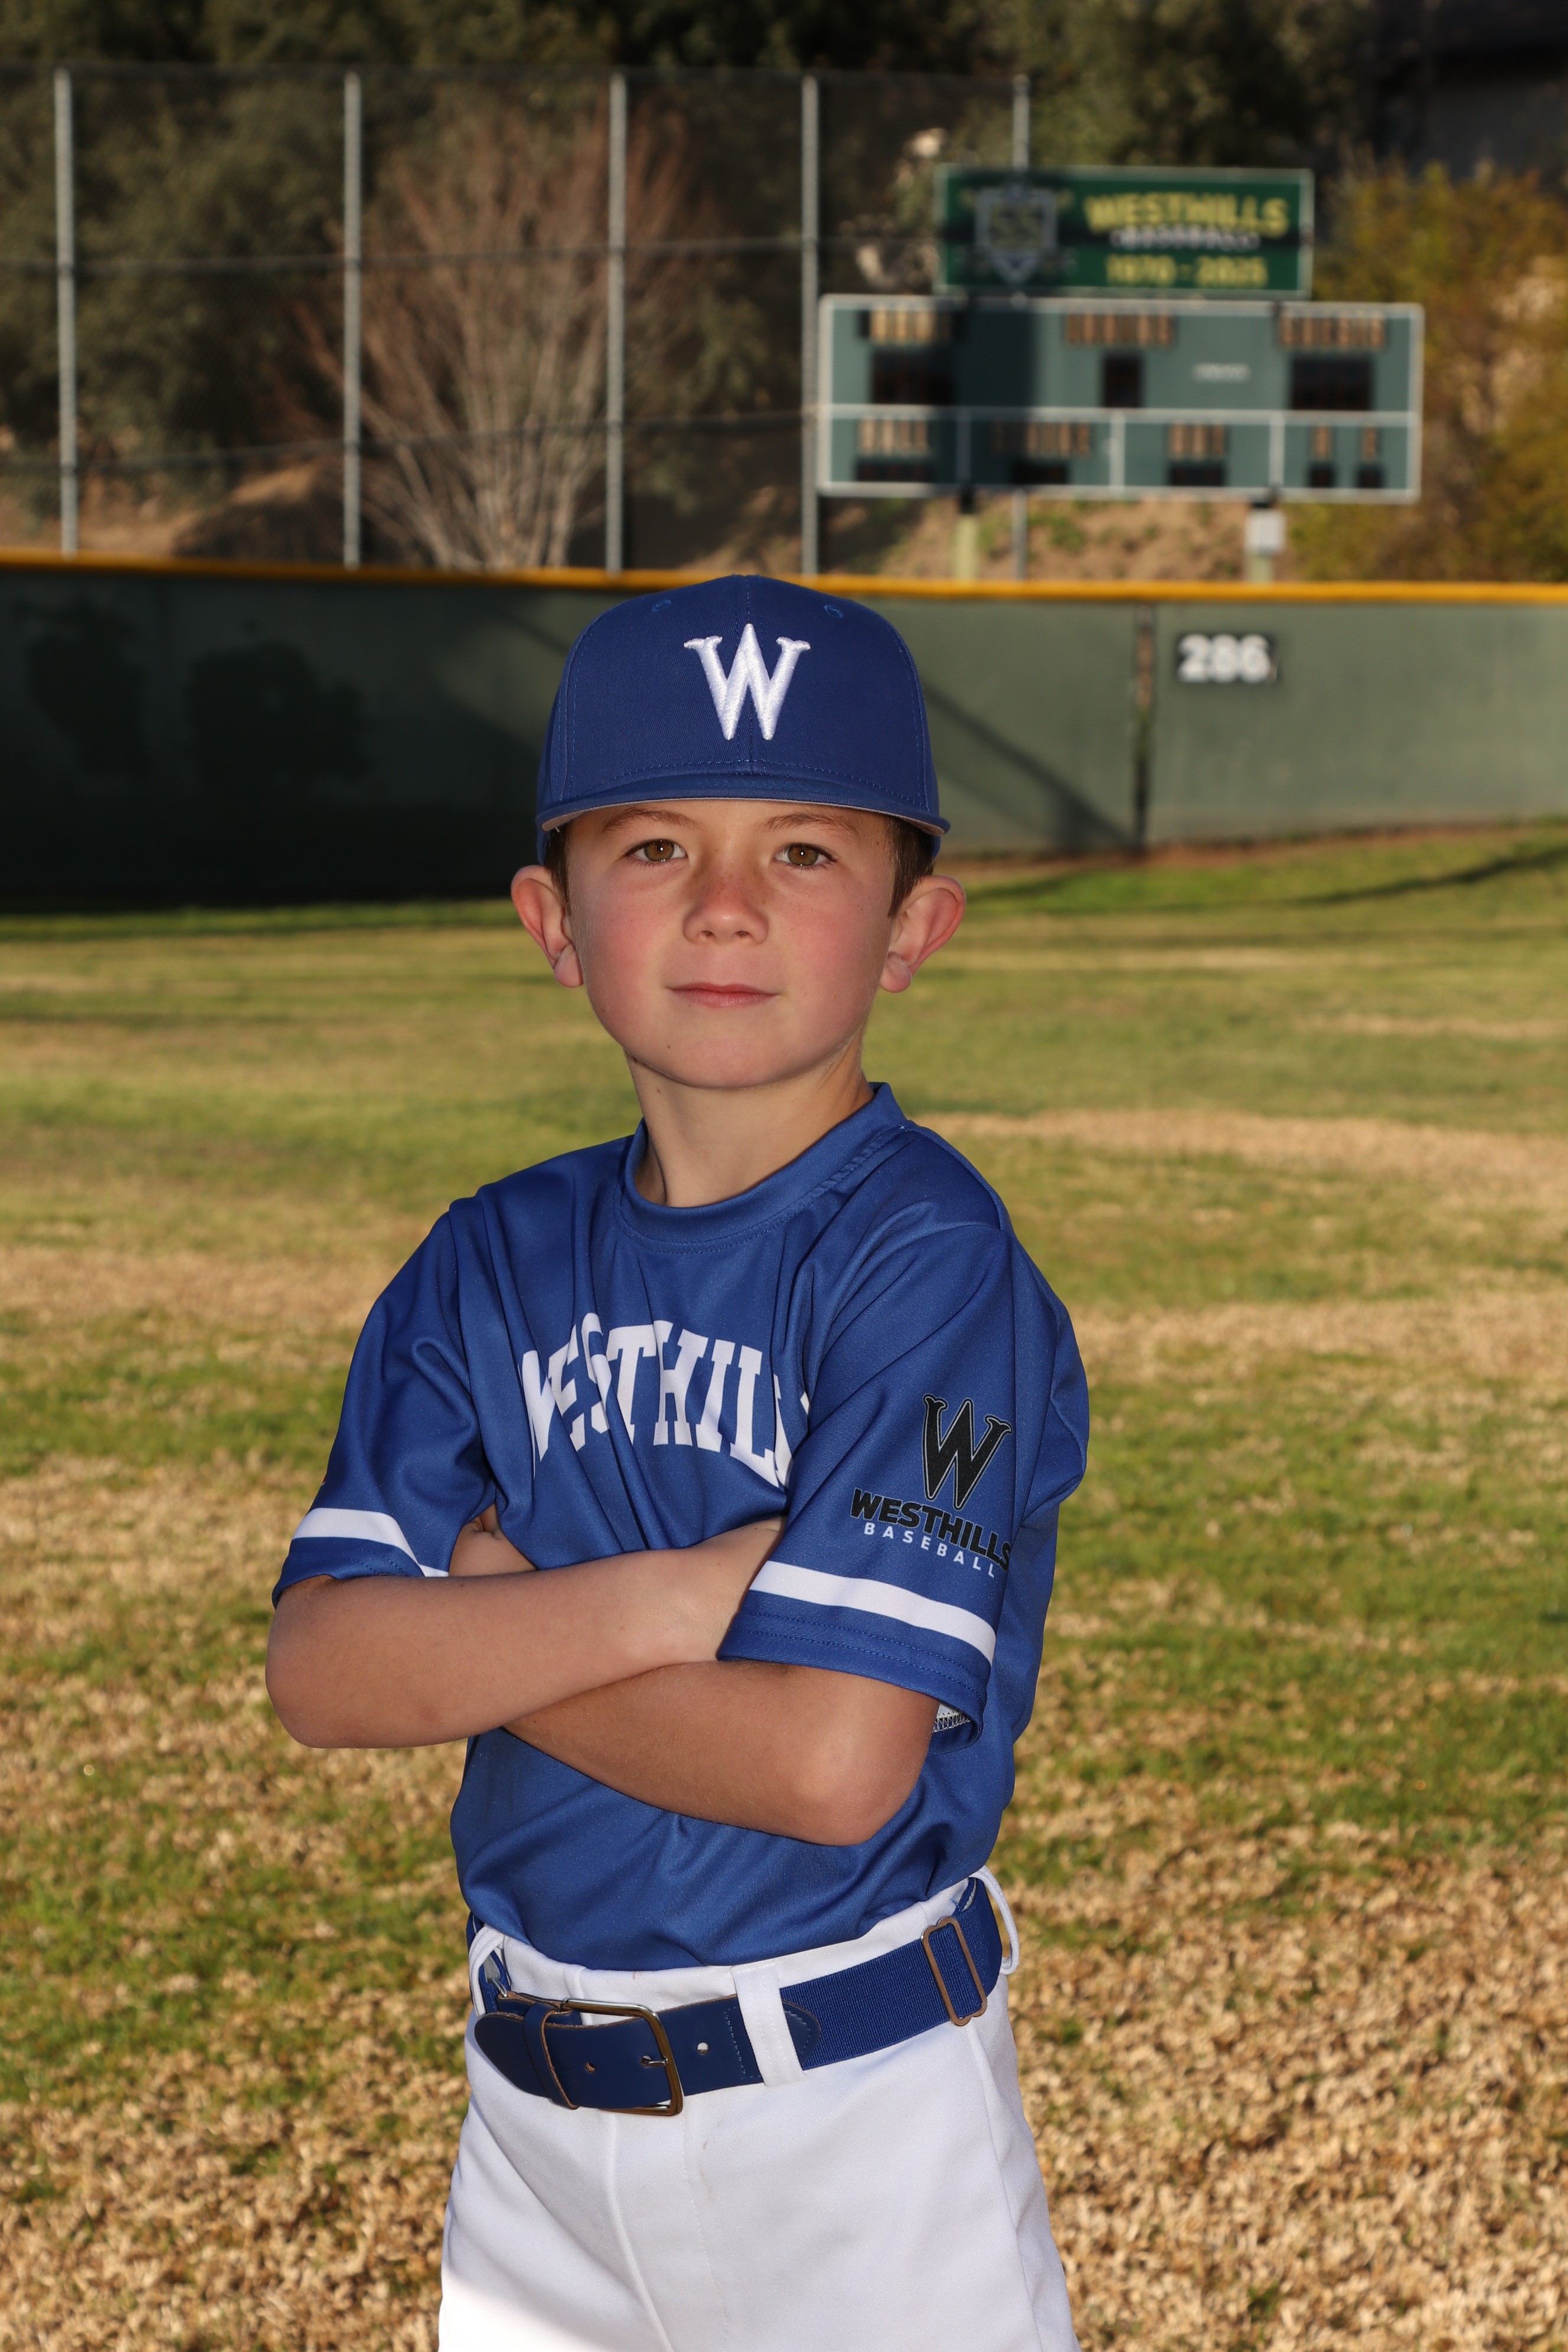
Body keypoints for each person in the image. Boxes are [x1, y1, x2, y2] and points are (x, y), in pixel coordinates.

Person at [266, 573, 1089, 2352]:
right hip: (532, 2145)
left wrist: (492, 1616)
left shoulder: (928, 1262)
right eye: (653, 847)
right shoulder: (487, 1258)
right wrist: (666, 1602)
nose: (726, 905)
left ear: (913, 926)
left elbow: (831, 1764)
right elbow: (324, 1671)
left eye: (804, 850)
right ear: (553, 920)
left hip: (854, 2129)